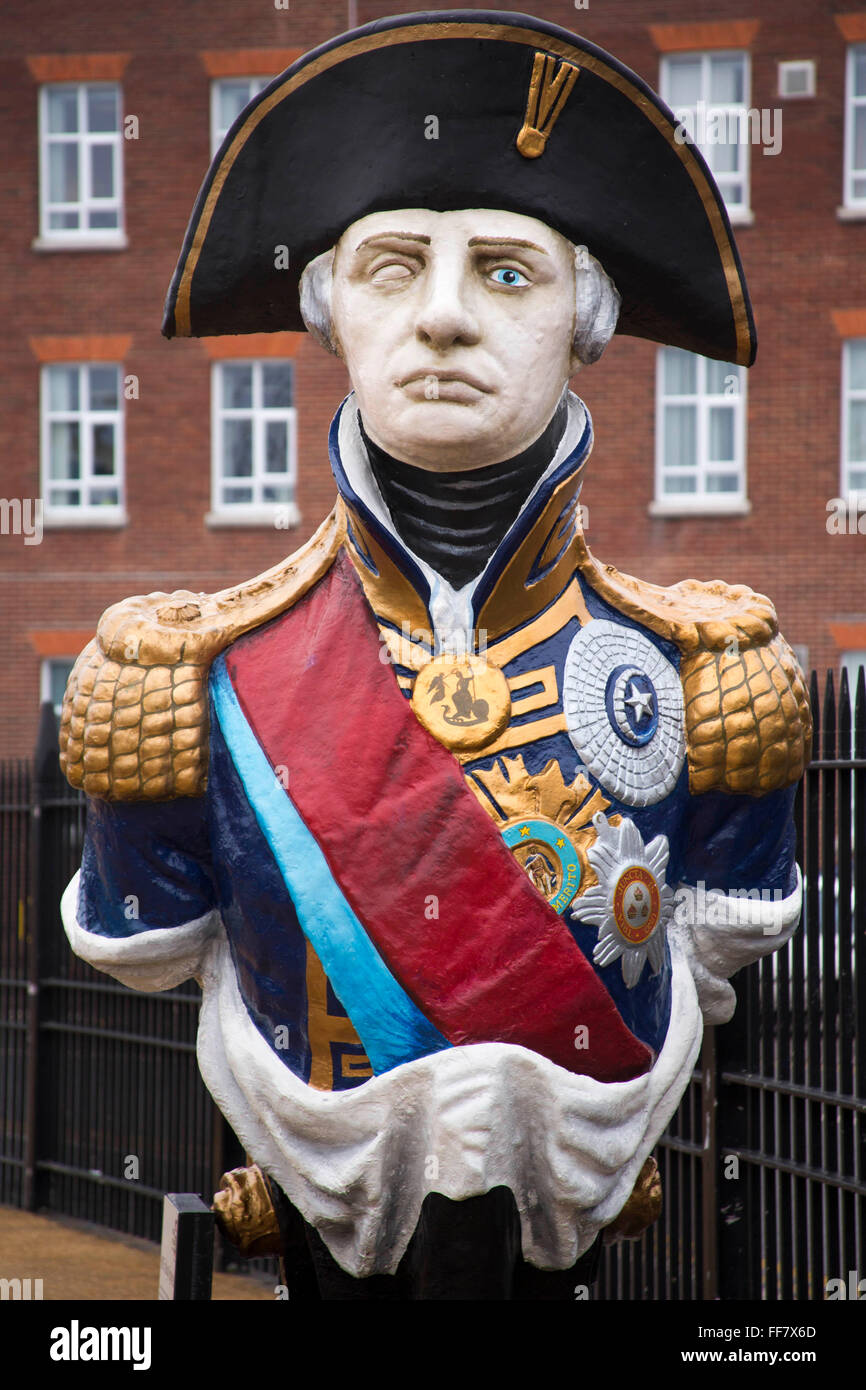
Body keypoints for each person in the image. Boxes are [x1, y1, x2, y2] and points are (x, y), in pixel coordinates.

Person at [59, 12, 811, 1300]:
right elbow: (151, 934)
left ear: (585, 317)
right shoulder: (192, 680)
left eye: (508, 271)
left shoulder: (707, 676)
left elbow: (720, 941)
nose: (448, 319)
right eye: (395, 267)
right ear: (330, 308)